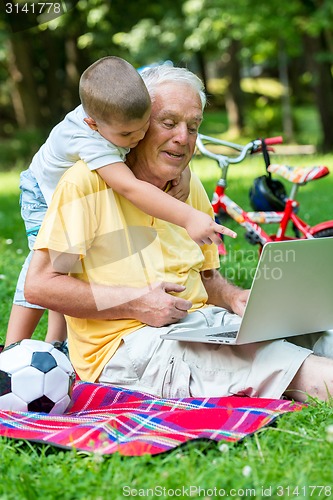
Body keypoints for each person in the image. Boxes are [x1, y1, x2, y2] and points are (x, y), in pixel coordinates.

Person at [24, 64, 333, 403]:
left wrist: (233, 298)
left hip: (205, 325)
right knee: (301, 370)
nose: (183, 138)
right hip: (130, 347)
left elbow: (207, 277)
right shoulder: (85, 186)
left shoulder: (189, 185)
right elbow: (43, 285)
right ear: (139, 124)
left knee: (322, 328)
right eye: (168, 123)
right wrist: (136, 302)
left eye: (193, 126)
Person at [5, 57, 236, 349]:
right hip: (42, 191)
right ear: (93, 123)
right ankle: (12, 350)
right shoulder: (93, 140)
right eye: (166, 123)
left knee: (71, 261)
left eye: (192, 127)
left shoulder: (116, 114)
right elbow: (130, 187)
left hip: (70, 192)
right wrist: (188, 216)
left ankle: (56, 342)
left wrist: (184, 171)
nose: (136, 139)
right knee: (48, 263)